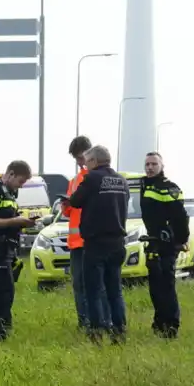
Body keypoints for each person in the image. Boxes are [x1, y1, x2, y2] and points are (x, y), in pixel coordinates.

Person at [66, 145, 129, 344]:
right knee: (114, 290)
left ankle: (96, 332)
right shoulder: (121, 180)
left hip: (96, 243)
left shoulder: (91, 178)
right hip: (118, 242)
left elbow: (75, 201)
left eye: (87, 161)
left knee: (92, 290)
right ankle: (119, 330)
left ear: (93, 161)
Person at [0, 160, 37, 342]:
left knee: (7, 292)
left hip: (7, 249)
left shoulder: (9, 195)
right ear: (10, 174)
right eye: (20, 181)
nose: (21, 185)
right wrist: (17, 221)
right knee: (3, 292)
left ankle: (3, 330)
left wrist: (23, 221)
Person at [139, 151, 190, 339]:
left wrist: (181, 239)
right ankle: (159, 323)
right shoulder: (146, 185)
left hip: (167, 244)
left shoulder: (168, 187)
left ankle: (171, 326)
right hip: (153, 242)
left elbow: (181, 216)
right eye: (147, 164)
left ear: (161, 166)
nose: (150, 167)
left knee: (166, 286)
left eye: (153, 164)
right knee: (155, 286)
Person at [65, 135, 93, 331]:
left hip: (91, 240)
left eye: (80, 157)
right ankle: (84, 321)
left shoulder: (95, 177)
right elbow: (68, 211)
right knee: (78, 284)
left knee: (93, 284)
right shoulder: (74, 181)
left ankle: (95, 320)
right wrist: (65, 206)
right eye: (76, 158)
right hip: (76, 242)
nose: (78, 162)